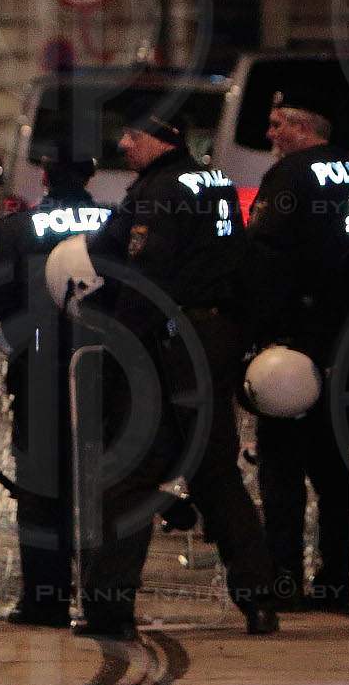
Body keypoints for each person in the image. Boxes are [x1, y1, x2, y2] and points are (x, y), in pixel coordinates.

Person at [79, 104, 277, 638]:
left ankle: (108, 608)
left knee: (134, 475)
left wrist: (121, 342)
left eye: (131, 132)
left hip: (165, 342)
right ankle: (259, 600)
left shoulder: (158, 191)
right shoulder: (215, 181)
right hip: (214, 338)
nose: (124, 144)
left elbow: (144, 274)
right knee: (215, 471)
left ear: (157, 136)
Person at [0, 150, 111, 626]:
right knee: (105, 483)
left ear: (44, 176)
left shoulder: (20, 228)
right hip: (108, 366)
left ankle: (46, 597)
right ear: (90, 176)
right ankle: (106, 595)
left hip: (42, 369)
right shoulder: (114, 224)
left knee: (42, 485)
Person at [241, 87, 349, 612]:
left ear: (304, 130)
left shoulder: (290, 176)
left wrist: (252, 330)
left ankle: (284, 579)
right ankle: (338, 581)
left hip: (295, 343)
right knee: (335, 468)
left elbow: (263, 255)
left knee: (282, 468)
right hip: (346, 339)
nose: (270, 135)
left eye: (279, 124)